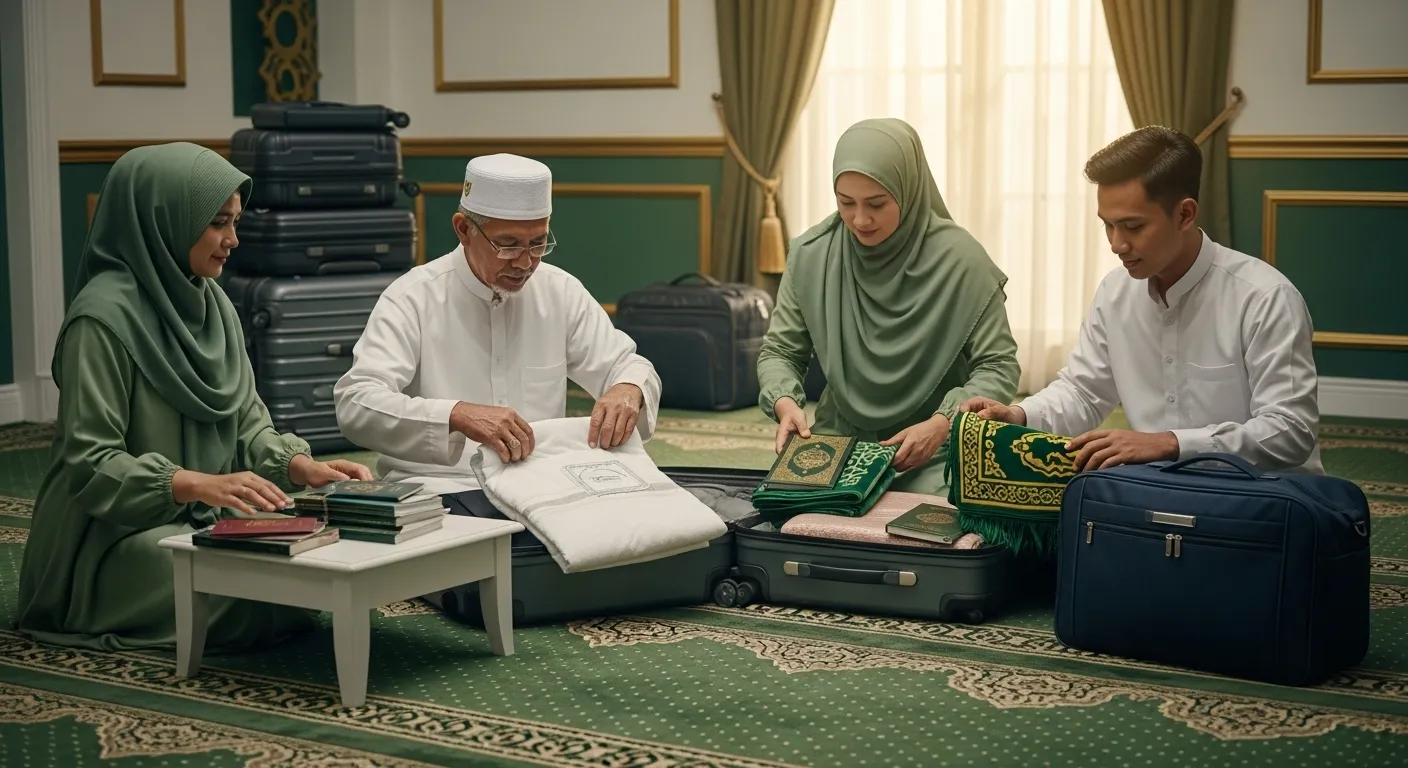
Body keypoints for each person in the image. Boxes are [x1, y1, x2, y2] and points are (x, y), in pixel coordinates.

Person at [15, 142, 373, 652]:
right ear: (163, 221)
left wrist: (302, 468)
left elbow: (247, 420)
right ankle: (91, 604)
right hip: (112, 538)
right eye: (217, 223)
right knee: (249, 593)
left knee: (308, 563)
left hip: (205, 520)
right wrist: (195, 484)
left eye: (234, 221)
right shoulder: (100, 321)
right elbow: (91, 463)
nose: (233, 239)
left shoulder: (215, 306)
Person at [960, 126, 1322, 474]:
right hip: (1153, 493)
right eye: (1108, 225)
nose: (1116, 244)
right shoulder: (1115, 292)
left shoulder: (1265, 298)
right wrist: (1020, 416)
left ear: (1185, 214)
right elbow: (1084, 393)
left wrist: (1171, 443)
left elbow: (1291, 431)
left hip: (1264, 505)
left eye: (1133, 227)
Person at [333, 153, 662, 509]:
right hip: (438, 488)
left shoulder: (559, 290)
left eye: (538, 243)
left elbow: (626, 364)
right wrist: (455, 415)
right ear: (463, 229)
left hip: (543, 485)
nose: (524, 263)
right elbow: (356, 403)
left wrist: (628, 389)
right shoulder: (413, 297)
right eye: (508, 245)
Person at [757, 118, 1021, 496]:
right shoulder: (813, 254)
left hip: (932, 444)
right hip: (838, 441)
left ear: (909, 191)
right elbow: (781, 351)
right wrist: (784, 402)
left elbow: (998, 365)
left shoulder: (962, 260)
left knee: (927, 528)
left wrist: (943, 423)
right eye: (845, 203)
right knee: (796, 515)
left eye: (877, 204)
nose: (860, 220)